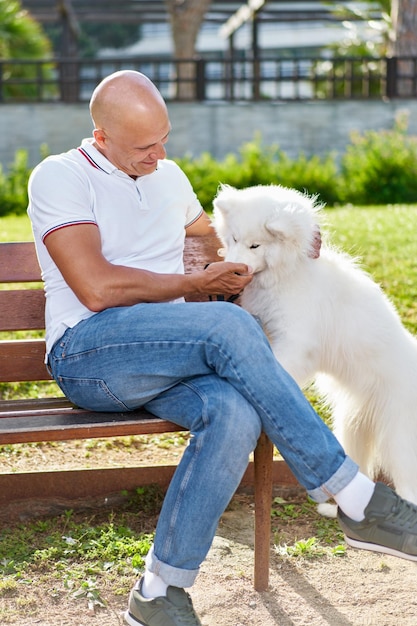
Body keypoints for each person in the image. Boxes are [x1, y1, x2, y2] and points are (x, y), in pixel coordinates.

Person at [27, 70, 417, 626]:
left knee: (233, 414)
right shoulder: (59, 177)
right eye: (144, 145)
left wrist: (293, 237)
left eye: (165, 138)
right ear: (102, 134)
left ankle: (159, 591)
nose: (160, 154)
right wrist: (193, 288)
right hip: (91, 353)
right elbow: (97, 288)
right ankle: (354, 498)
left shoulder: (168, 176)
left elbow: (226, 246)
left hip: (171, 355)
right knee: (226, 328)